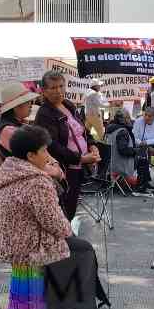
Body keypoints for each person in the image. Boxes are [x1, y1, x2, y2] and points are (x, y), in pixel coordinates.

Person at [0, 125, 108, 309]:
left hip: (7, 241)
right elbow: (53, 222)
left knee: (72, 243)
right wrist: (68, 231)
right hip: (28, 245)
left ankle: (61, 302)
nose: (48, 155)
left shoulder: (8, 171)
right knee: (83, 249)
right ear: (30, 155)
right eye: (44, 150)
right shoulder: (37, 181)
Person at [34, 70, 100, 220]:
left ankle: (67, 237)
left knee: (72, 204)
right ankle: (65, 239)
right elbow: (52, 146)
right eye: (53, 88)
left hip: (78, 166)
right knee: (64, 207)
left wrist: (92, 145)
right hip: (64, 168)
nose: (58, 91)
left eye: (61, 86)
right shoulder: (45, 114)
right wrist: (81, 159)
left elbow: (82, 130)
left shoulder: (69, 105)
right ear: (44, 91)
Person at [0, 82, 36, 178]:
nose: (31, 105)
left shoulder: (17, 124)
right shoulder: (9, 130)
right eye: (27, 102)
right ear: (16, 107)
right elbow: (33, 156)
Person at [103, 108, 138, 187]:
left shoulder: (109, 129)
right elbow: (123, 150)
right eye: (128, 118)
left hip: (109, 164)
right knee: (143, 160)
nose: (130, 120)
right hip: (120, 165)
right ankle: (140, 186)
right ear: (124, 119)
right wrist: (136, 151)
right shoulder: (122, 131)